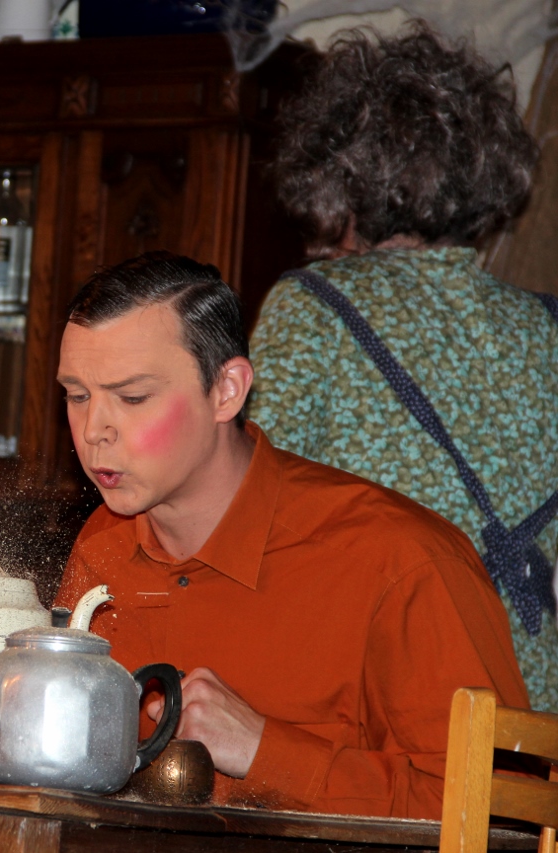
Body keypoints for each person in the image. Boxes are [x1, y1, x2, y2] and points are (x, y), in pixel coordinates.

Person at [52, 252, 527, 818]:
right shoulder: (102, 547)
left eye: (132, 398)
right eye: (76, 395)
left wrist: (266, 752)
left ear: (227, 390)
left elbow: (504, 817)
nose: (93, 431)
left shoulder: (401, 564)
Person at [248, 22, 558, 712]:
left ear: (340, 176)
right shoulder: (548, 327)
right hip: (530, 714)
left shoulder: (314, 306)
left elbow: (256, 518)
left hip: (389, 702)